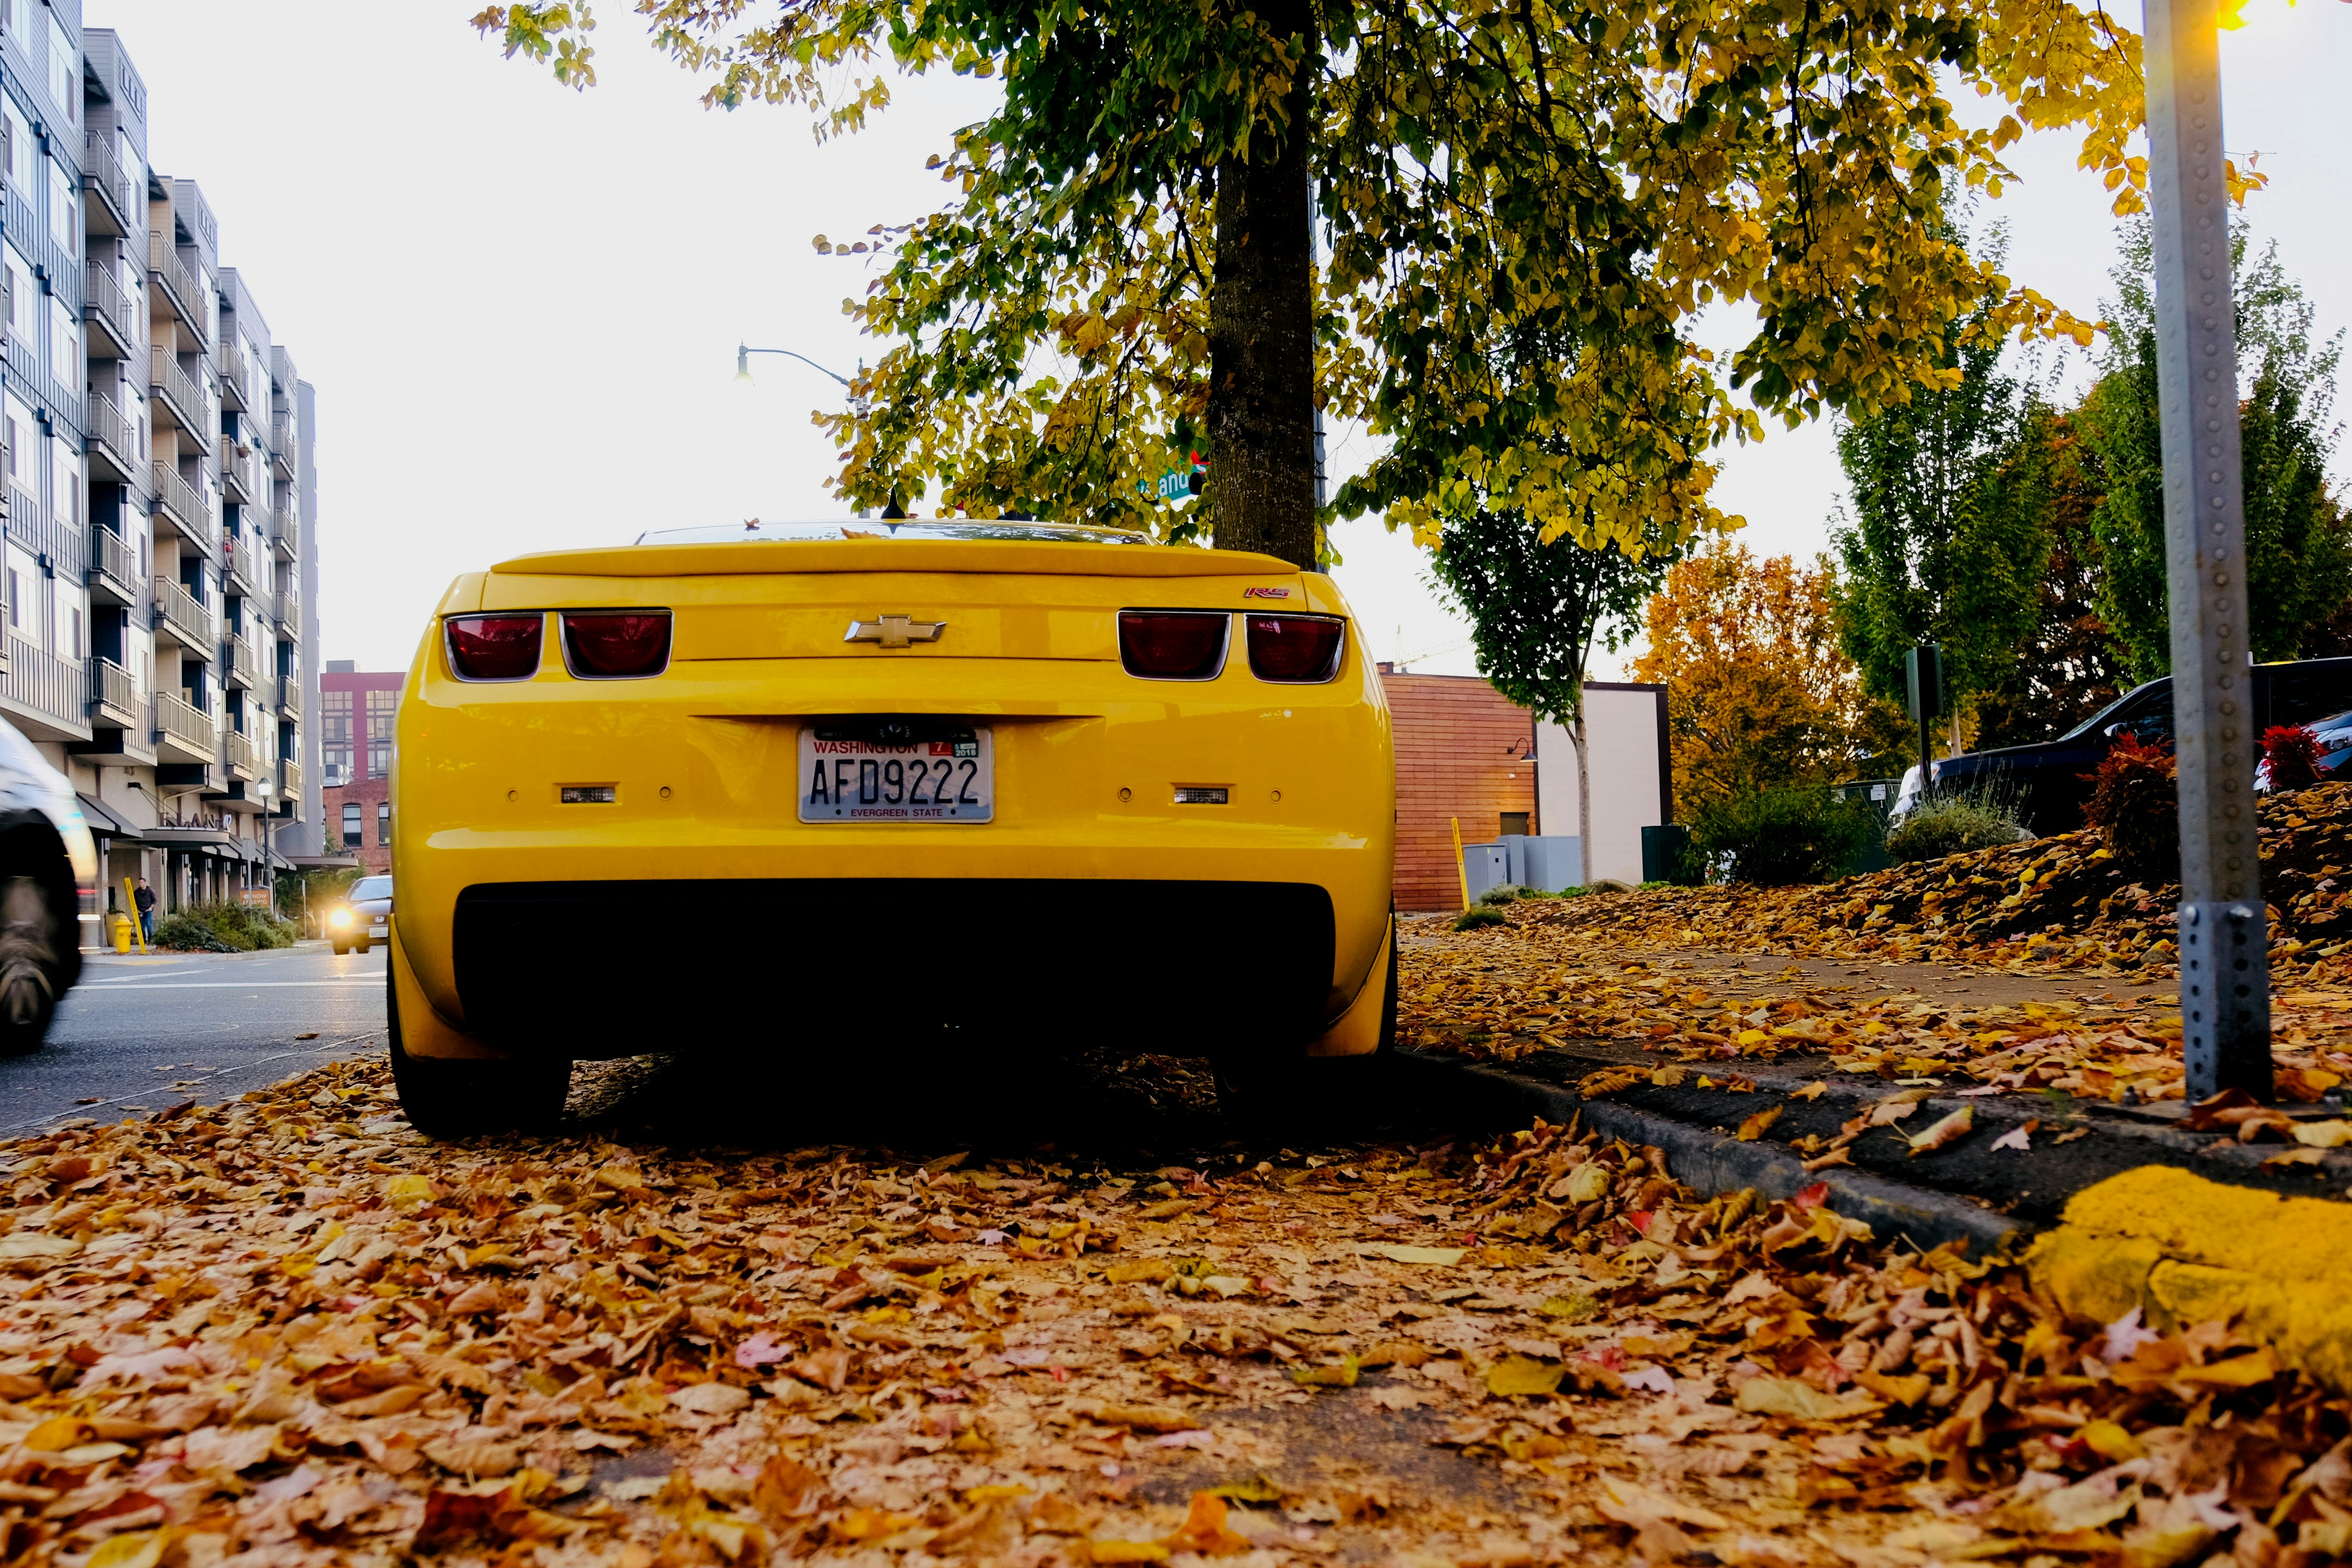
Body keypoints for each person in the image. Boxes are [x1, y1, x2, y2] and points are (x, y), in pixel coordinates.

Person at [133, 878, 155, 944]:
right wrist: (137, 910)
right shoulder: (137, 892)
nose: (140, 884)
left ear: (145, 883)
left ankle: (150, 939)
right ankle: (144, 940)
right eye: (139, 883)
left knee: (148, 924)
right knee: (142, 927)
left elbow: (154, 901)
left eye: (141, 882)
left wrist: (151, 908)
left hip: (148, 911)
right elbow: (134, 901)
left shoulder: (150, 891)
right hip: (140, 911)